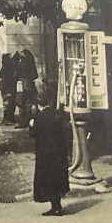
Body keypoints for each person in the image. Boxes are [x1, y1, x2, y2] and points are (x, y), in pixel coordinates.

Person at [29, 85, 70, 215]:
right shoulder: (57, 114)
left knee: (48, 180)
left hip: (45, 154)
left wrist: (31, 125)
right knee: (57, 178)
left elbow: (33, 133)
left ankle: (55, 207)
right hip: (58, 152)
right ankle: (57, 206)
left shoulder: (39, 118)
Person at [14, 49, 39, 127]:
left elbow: (15, 75)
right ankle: (30, 120)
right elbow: (35, 75)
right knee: (29, 102)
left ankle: (23, 121)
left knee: (21, 103)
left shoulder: (20, 65)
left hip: (21, 85)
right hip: (30, 85)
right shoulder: (32, 64)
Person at [0, 53, 17, 124]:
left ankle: (7, 118)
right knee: (10, 104)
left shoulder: (4, 67)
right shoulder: (8, 68)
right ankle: (9, 119)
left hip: (4, 88)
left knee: (6, 104)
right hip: (8, 88)